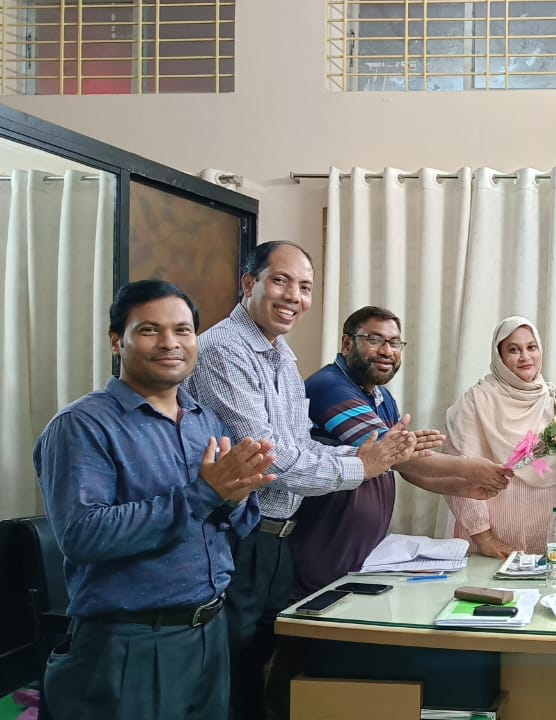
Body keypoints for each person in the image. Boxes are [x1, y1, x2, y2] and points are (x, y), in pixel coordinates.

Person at [185, 241, 428, 720]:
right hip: (238, 536)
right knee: (229, 672)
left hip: (278, 540)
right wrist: (364, 464)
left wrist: (368, 455)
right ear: (249, 283)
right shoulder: (224, 350)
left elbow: (302, 445)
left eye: (305, 286)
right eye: (281, 281)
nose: (293, 296)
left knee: (260, 666)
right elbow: (271, 460)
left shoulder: (281, 354)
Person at [34, 280, 276, 720]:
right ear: (117, 341)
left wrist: (236, 499)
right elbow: (82, 534)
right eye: (149, 330)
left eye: (183, 330)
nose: (170, 343)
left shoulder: (204, 419)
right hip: (130, 644)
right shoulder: (82, 425)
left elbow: (236, 520)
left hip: (209, 634)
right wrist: (206, 493)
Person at [291, 306, 514, 598]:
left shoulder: (381, 396)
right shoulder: (330, 387)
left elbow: (402, 466)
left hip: (364, 555)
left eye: (395, 343)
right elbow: (396, 457)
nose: (387, 351)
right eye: (374, 340)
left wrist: (461, 487)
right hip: (324, 550)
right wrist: (470, 467)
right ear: (347, 343)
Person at [443, 316, 556, 557]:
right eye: (513, 350)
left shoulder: (554, 400)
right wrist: (484, 537)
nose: (525, 357)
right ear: (499, 356)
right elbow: (458, 472)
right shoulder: (476, 400)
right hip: (488, 539)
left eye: (531, 347)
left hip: (546, 533)